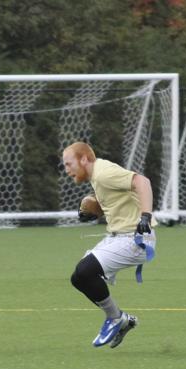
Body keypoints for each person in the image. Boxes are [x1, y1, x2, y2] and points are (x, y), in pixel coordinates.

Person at [63, 141, 156, 349]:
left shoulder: (103, 172)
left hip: (136, 239)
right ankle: (121, 320)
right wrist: (94, 208)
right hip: (118, 237)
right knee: (78, 278)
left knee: (85, 271)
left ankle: (115, 319)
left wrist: (146, 217)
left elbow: (143, 182)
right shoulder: (97, 177)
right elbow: (119, 199)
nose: (66, 170)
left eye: (69, 164)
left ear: (84, 159)